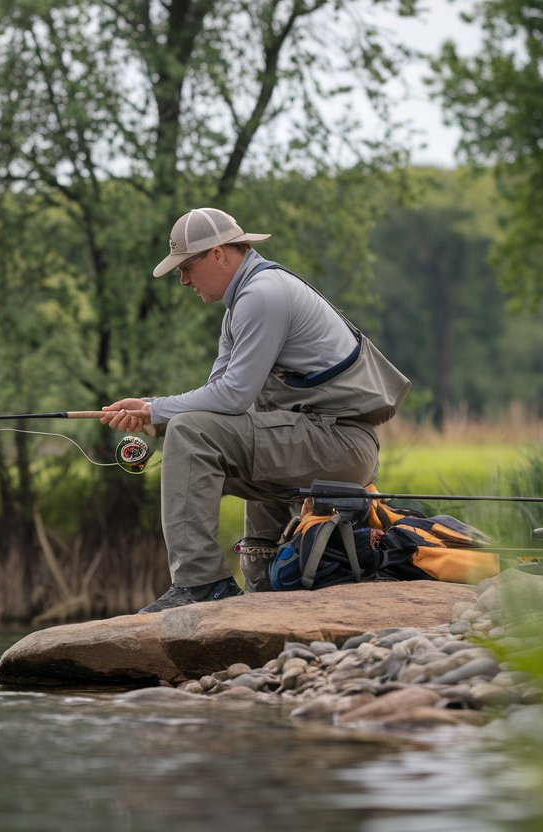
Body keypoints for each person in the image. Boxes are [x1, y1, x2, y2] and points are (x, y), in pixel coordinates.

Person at [101, 207, 409, 613]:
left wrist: (159, 410)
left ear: (217, 254)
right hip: (322, 441)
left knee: (192, 434)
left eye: (187, 266)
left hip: (341, 443)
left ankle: (200, 582)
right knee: (203, 430)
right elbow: (220, 401)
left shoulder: (262, 295)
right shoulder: (239, 307)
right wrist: (152, 417)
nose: (183, 279)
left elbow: (231, 398)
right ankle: (262, 584)